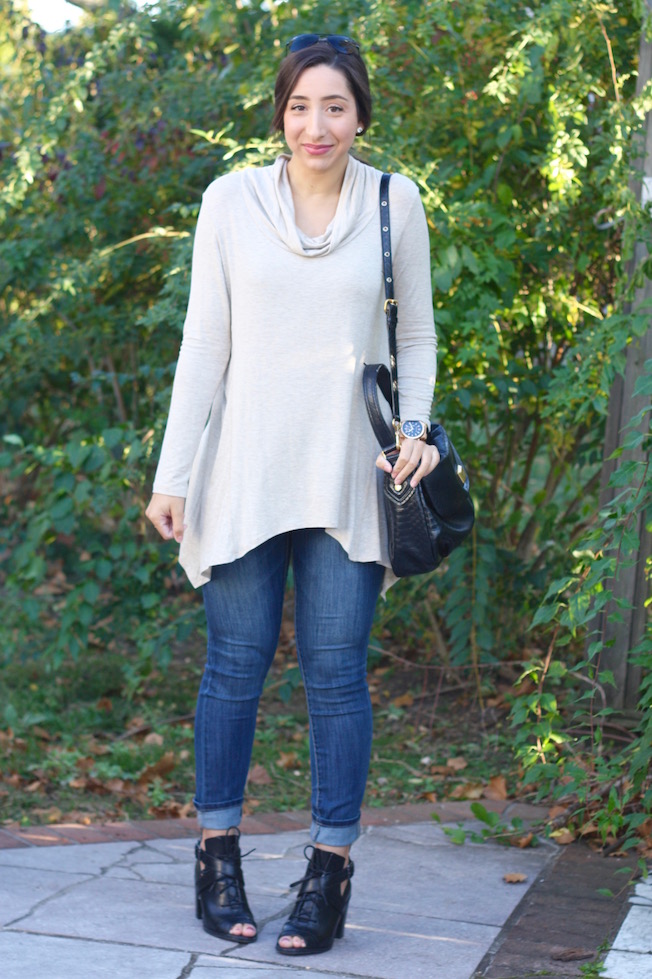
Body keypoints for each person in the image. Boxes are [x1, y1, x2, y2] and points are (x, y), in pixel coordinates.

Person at [145, 33, 438, 957]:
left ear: (360, 115)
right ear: (280, 113)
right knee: (234, 666)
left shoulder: (394, 202)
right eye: (301, 106)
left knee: (337, 674)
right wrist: (172, 473)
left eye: (335, 107)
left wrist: (415, 430)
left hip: (352, 475)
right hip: (243, 470)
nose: (317, 125)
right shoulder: (230, 201)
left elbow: (417, 334)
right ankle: (217, 858)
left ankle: (328, 872)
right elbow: (204, 342)